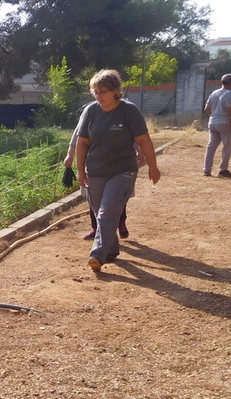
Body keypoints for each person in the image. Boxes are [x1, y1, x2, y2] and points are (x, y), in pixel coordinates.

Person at [75, 69, 161, 273]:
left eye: (102, 91)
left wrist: (153, 166)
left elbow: (143, 141)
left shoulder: (129, 111)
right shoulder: (91, 111)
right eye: (95, 92)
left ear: (115, 91)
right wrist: (81, 170)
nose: (98, 96)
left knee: (107, 212)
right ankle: (111, 249)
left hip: (123, 170)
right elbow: (82, 143)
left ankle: (97, 254)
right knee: (100, 212)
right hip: (96, 170)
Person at [64, 107, 130, 240]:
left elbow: (132, 135)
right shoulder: (89, 114)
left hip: (117, 163)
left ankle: (121, 223)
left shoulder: (120, 115)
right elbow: (77, 136)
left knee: (117, 196)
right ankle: (96, 228)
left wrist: (138, 152)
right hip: (94, 164)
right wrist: (70, 155)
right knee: (93, 198)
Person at [202, 74, 231, 179]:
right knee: (227, 147)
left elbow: (206, 108)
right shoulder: (229, 94)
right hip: (225, 123)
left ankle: (207, 169)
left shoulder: (214, 93)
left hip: (213, 122)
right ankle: (223, 170)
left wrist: (214, 115)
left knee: (211, 146)